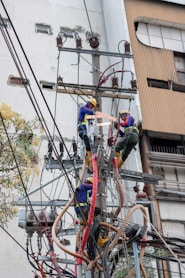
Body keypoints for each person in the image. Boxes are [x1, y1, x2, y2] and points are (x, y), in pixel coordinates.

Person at [74, 177, 110, 247]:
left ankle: (100, 240)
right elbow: (93, 187)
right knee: (94, 224)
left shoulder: (84, 191)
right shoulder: (83, 186)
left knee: (97, 211)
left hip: (83, 211)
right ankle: (100, 241)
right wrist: (99, 181)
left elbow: (93, 191)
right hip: (82, 211)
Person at [78, 98, 97, 168]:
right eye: (92, 106)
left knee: (90, 142)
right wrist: (95, 113)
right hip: (82, 129)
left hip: (85, 129)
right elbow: (91, 112)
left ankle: (88, 157)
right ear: (89, 103)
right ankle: (89, 157)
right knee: (87, 141)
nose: (92, 108)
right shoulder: (83, 108)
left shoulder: (87, 112)